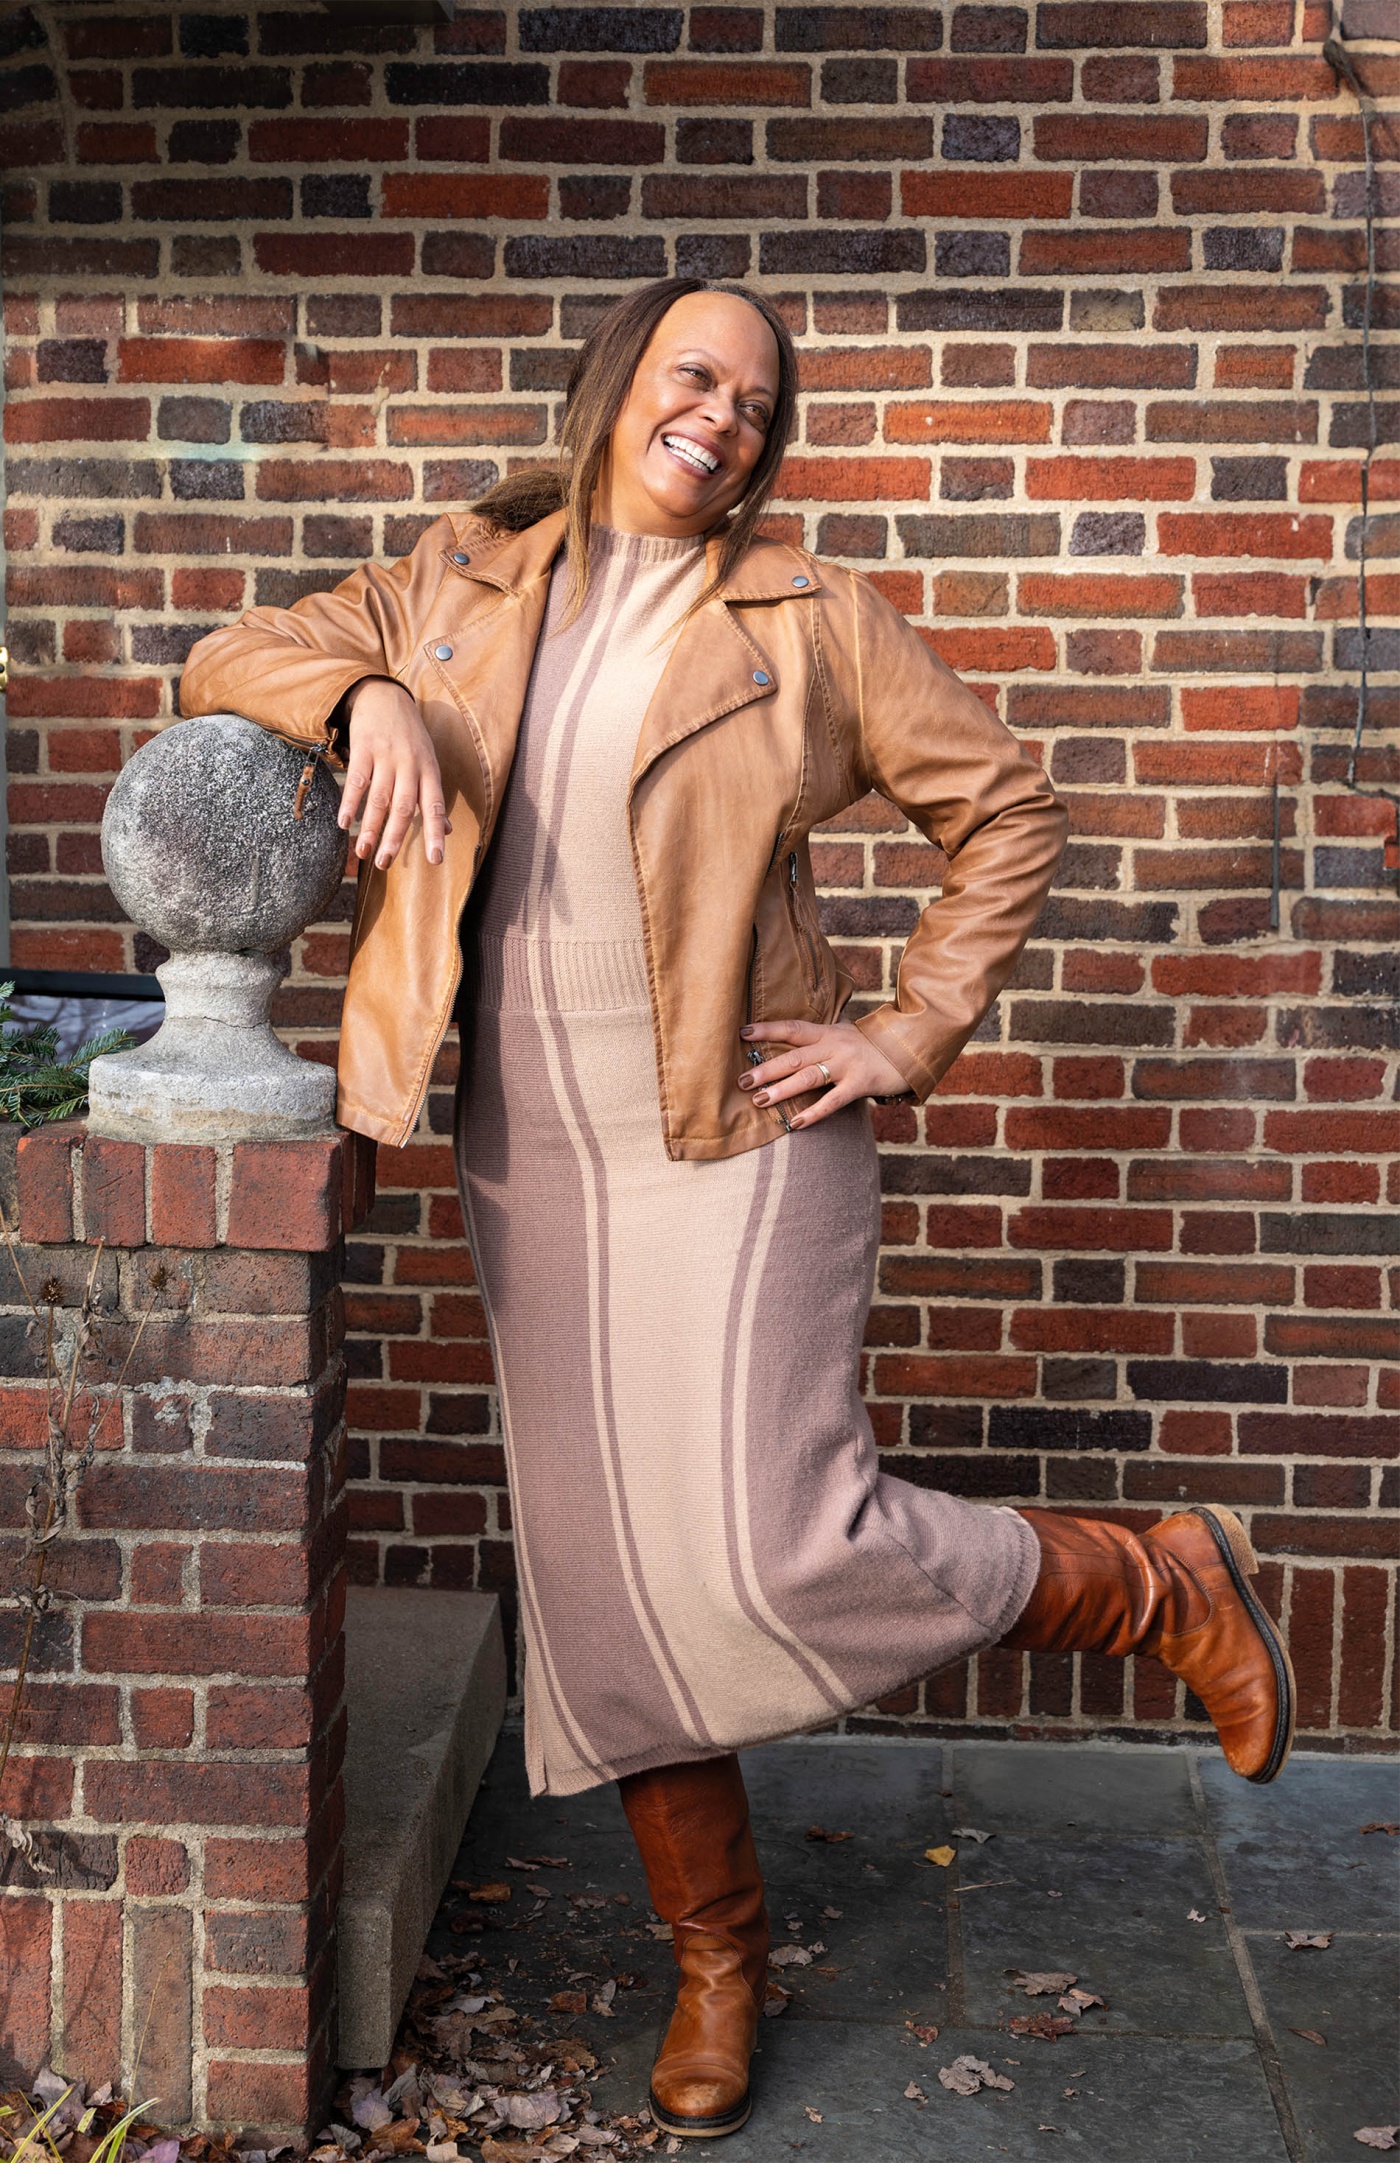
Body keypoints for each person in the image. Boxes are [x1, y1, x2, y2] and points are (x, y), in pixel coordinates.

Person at [181, 277, 1295, 2142]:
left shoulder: (808, 618)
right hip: (536, 1152)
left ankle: (1145, 1585)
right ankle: (717, 1954)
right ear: (621, 385)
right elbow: (226, 655)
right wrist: (368, 685)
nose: (728, 417)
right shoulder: (454, 583)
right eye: (698, 376)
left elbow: (1005, 809)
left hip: (741, 1133)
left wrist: (900, 1027)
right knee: (614, 1586)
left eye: (761, 402)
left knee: (783, 1541)